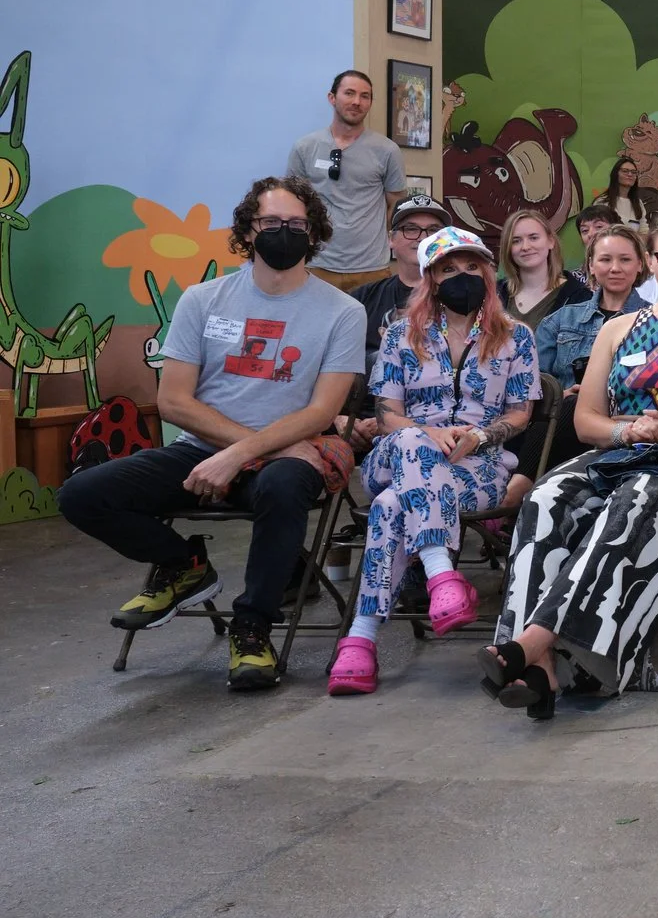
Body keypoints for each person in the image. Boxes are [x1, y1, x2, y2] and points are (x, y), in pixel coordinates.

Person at [60, 177, 364, 692]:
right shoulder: (203, 300)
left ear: (314, 234)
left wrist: (245, 454)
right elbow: (175, 400)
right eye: (271, 223)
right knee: (83, 494)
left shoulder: (342, 311)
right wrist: (237, 450)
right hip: (201, 452)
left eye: (297, 225)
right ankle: (184, 565)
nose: (284, 233)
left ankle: (253, 627)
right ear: (248, 229)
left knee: (285, 484)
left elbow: (322, 412)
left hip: (282, 459)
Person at [482, 212, 658, 717]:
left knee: (635, 503)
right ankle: (542, 670)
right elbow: (587, 420)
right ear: (650, 263)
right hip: (617, 452)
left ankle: (527, 646)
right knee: (545, 498)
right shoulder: (616, 329)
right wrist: (627, 431)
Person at [331, 228, 539, 696]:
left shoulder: (516, 337)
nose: (461, 276)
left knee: (390, 508)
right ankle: (441, 572)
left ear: (487, 274)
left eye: (471, 267)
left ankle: (360, 641)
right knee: (412, 446)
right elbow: (387, 415)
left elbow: (521, 413)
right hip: (396, 453)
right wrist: (429, 433)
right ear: (430, 278)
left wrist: (481, 434)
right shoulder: (403, 336)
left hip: (478, 467)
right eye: (448, 269)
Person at [519, 224, 647, 480]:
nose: (615, 268)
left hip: (625, 427)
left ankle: (517, 492)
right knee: (571, 404)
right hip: (562, 426)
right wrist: (560, 393)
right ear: (590, 265)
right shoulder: (561, 320)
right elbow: (533, 383)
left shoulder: (654, 322)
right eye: (605, 259)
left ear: (640, 265)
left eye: (625, 259)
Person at [287, 70, 406, 288]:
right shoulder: (305, 148)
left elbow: (396, 204)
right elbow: (293, 204)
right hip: (318, 265)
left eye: (364, 96)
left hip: (372, 268)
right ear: (332, 98)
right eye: (349, 93)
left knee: (371, 323)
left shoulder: (387, 150)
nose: (356, 102)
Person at [349, 194, 451, 360]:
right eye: (411, 229)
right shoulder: (362, 300)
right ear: (391, 239)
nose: (423, 238)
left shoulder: (467, 295)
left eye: (433, 231)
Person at [498, 209, 590, 362]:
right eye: (516, 241)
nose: (525, 246)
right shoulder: (494, 294)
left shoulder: (579, 297)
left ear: (551, 241)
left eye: (533, 238)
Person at [599, 157, 658, 231]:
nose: (630, 174)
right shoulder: (602, 202)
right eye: (625, 171)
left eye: (634, 172)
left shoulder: (638, 203)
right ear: (615, 174)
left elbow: (644, 231)